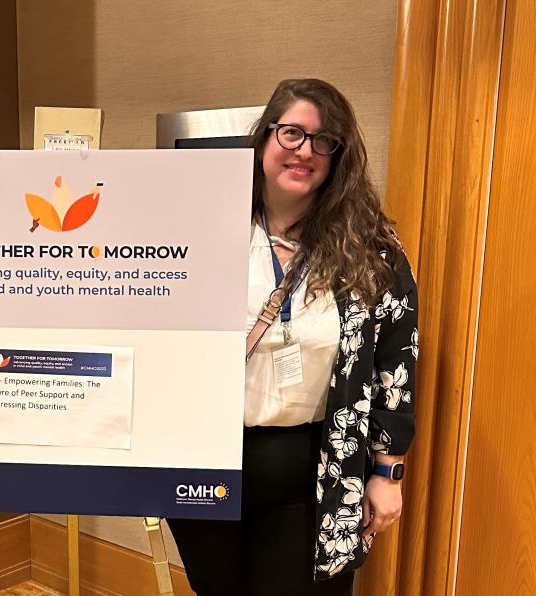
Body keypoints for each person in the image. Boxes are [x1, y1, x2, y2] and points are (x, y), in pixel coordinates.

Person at [168, 79, 419, 595]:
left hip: (310, 470)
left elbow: (397, 361)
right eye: (291, 134)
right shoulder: (199, 229)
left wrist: (386, 472)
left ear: (337, 157)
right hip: (206, 457)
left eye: (323, 140)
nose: (305, 150)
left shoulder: (371, 251)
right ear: (263, 141)